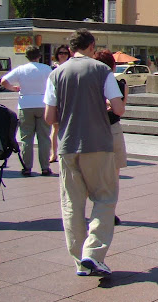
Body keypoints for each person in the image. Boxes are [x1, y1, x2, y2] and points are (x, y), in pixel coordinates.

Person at [44, 29, 125, 277]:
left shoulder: (56, 73)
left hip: (68, 144)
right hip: (98, 143)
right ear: (91, 46)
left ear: (70, 49)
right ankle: (93, 252)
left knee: (72, 203)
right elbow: (119, 109)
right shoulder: (101, 70)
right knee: (105, 198)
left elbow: (49, 117)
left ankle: (80, 261)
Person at [0, 46, 53, 177]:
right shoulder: (47, 69)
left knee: (26, 138)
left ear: (27, 56)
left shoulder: (21, 69)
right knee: (44, 137)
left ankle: (27, 167)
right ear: (39, 56)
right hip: (43, 103)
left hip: (25, 104)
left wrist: (14, 88)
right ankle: (45, 167)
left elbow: (3, 81)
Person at [93, 49, 127, 226]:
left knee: (95, 173)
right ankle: (109, 211)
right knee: (113, 175)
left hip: (93, 130)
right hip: (113, 129)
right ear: (113, 66)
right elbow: (120, 109)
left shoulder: (90, 85)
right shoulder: (119, 84)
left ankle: (98, 209)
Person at [49, 45, 72, 163]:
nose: (63, 55)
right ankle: (54, 153)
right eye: (60, 53)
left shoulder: (71, 67)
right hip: (57, 102)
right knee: (55, 128)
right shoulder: (53, 69)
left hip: (69, 101)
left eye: (65, 53)